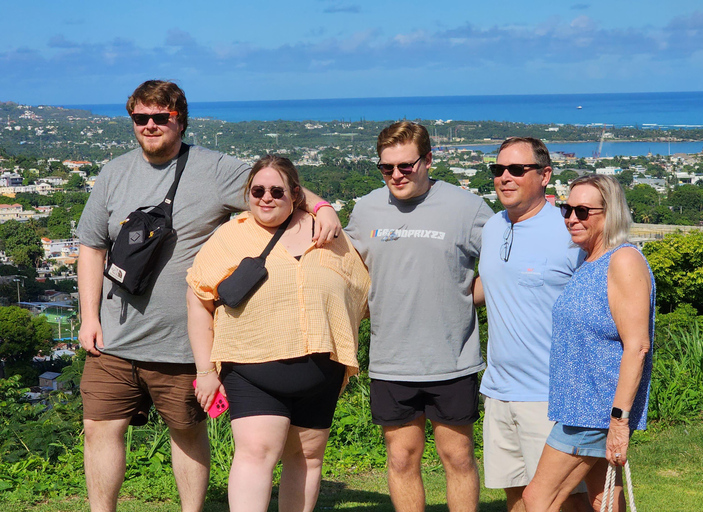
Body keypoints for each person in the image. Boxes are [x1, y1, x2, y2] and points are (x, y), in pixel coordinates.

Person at [76, 80, 341, 512]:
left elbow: (276, 187)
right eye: (140, 118)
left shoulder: (213, 169)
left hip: (181, 341)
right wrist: (90, 316)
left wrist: (324, 206)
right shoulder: (113, 173)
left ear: (180, 119)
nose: (149, 125)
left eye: (161, 117)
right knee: (99, 428)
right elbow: (91, 246)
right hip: (114, 337)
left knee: (186, 431)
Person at [186, 155, 369, 512]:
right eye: (257, 190)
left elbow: (358, 291)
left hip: (320, 370)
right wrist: (205, 371)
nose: (266, 198)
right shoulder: (232, 235)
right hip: (252, 369)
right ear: (248, 193)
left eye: (276, 191)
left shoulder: (327, 232)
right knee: (256, 454)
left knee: (308, 458)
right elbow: (198, 299)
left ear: (295, 194)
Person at [345, 121, 494, 512]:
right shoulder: (366, 210)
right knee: (401, 459)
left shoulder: (467, 208)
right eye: (386, 167)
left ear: (428, 160)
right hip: (391, 360)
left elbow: (500, 267)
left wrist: (465, 299)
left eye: (406, 166)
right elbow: (344, 270)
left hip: (451, 360)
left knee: (458, 457)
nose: (396, 175)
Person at [522, 174, 655, 512]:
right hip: (581, 407)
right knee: (603, 499)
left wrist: (618, 421)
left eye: (582, 211)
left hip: (595, 410)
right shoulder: (588, 261)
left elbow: (637, 345)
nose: (571, 218)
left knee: (537, 499)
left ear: (609, 214)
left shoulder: (623, 261)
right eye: (567, 209)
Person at [474, 137, 590, 512]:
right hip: (498, 389)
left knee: (563, 501)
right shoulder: (493, 227)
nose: (505, 177)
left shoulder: (568, 232)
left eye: (517, 169)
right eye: (498, 170)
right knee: (516, 498)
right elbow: (488, 286)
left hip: (550, 394)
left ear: (544, 175)